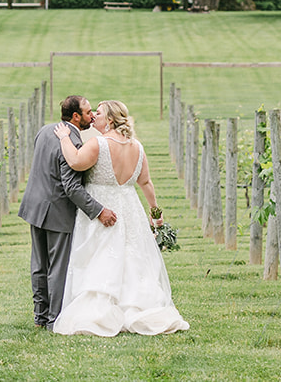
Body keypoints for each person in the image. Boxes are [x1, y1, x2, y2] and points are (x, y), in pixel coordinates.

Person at [51, 99, 189, 336]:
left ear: (111, 120)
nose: (94, 115)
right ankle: (137, 306)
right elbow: (145, 182)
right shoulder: (137, 146)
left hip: (103, 209)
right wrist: (156, 213)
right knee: (131, 255)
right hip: (129, 208)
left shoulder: (98, 144)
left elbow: (74, 160)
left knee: (101, 255)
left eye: (99, 112)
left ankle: (100, 313)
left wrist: (64, 137)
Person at [19, 94, 119, 328]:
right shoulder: (73, 144)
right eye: (87, 112)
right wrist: (99, 210)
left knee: (39, 265)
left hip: (34, 207)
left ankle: (40, 317)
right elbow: (72, 188)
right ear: (76, 116)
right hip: (57, 211)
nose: (92, 115)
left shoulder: (44, 131)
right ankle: (55, 320)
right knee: (58, 268)